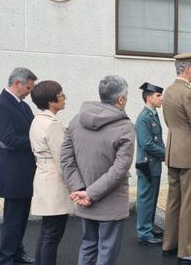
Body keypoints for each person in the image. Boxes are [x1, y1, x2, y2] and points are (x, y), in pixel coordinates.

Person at [60, 75, 135, 265]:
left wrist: (80, 190)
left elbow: (67, 159)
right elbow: (120, 168)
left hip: (83, 197)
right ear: (121, 99)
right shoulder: (124, 126)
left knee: (88, 244)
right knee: (107, 251)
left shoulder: (76, 120)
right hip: (110, 200)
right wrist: (90, 194)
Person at [161, 52, 191, 265]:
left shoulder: (169, 91)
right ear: (188, 68)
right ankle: (187, 249)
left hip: (172, 151)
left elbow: (168, 122)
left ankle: (170, 243)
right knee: (190, 204)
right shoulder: (190, 93)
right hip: (189, 153)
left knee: (174, 200)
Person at [0, 67, 37, 265]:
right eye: (28, 87)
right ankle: (5, 258)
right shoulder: (1, 105)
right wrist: (36, 142)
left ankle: (17, 253)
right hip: (14, 175)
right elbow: (7, 139)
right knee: (12, 221)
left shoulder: (23, 106)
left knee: (21, 219)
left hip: (25, 173)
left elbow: (34, 128)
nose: (30, 92)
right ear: (17, 83)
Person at [29, 80, 74, 265]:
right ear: (51, 101)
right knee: (53, 235)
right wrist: (76, 185)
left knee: (47, 231)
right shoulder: (52, 124)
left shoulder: (38, 120)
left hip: (43, 178)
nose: (64, 98)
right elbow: (63, 159)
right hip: (54, 183)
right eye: (61, 95)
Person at [135, 82, 165, 245]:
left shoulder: (153, 115)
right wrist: (168, 154)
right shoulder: (144, 117)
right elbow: (147, 144)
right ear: (148, 98)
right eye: (158, 95)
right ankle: (144, 233)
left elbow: (158, 141)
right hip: (146, 165)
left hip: (154, 165)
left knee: (152, 199)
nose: (161, 98)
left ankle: (149, 227)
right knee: (145, 199)